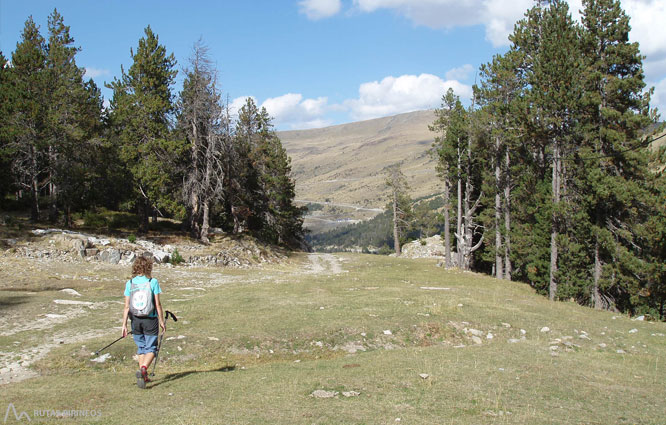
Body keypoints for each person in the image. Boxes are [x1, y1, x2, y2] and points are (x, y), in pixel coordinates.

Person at [121, 256, 165, 389]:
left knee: (141, 347)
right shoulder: (153, 282)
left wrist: (124, 325)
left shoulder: (130, 283)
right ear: (149, 267)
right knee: (151, 348)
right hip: (150, 320)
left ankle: (143, 376)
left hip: (135, 320)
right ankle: (144, 368)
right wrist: (161, 320)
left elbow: (127, 306)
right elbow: (157, 304)